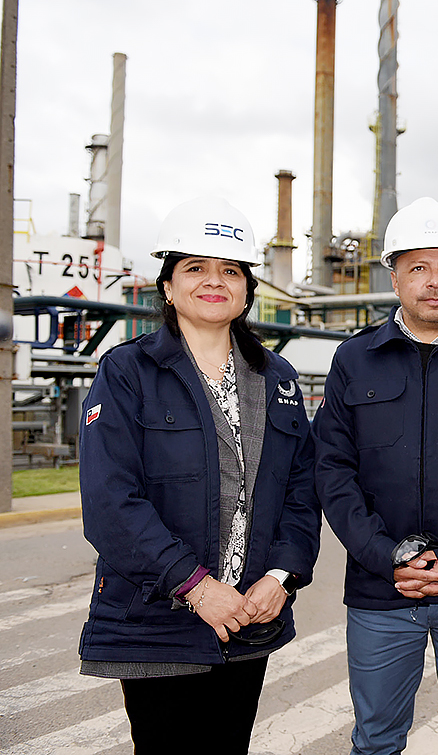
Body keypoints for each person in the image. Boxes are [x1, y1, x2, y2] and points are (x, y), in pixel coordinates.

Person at [78, 197, 322, 754]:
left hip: (248, 618)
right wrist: (194, 586)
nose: (214, 282)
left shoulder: (276, 378)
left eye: (230, 270)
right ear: (167, 287)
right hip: (160, 619)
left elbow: (301, 491)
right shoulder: (128, 371)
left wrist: (280, 577)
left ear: (246, 290)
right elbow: (111, 499)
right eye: (195, 268)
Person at [312, 197, 438, 755]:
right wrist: (387, 556)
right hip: (382, 590)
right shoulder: (355, 360)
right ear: (394, 275)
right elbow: (333, 471)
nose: (435, 282)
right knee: (376, 740)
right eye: (419, 268)